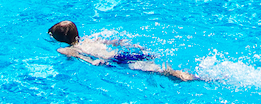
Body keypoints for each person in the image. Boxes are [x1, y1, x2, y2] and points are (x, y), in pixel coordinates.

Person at [48, 21, 199, 82]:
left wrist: (93, 62)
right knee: (157, 67)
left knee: (161, 72)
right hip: (124, 54)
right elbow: (115, 41)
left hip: (116, 62)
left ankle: (196, 78)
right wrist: (134, 45)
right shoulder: (89, 39)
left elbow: (81, 57)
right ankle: (191, 75)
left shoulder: (68, 49)